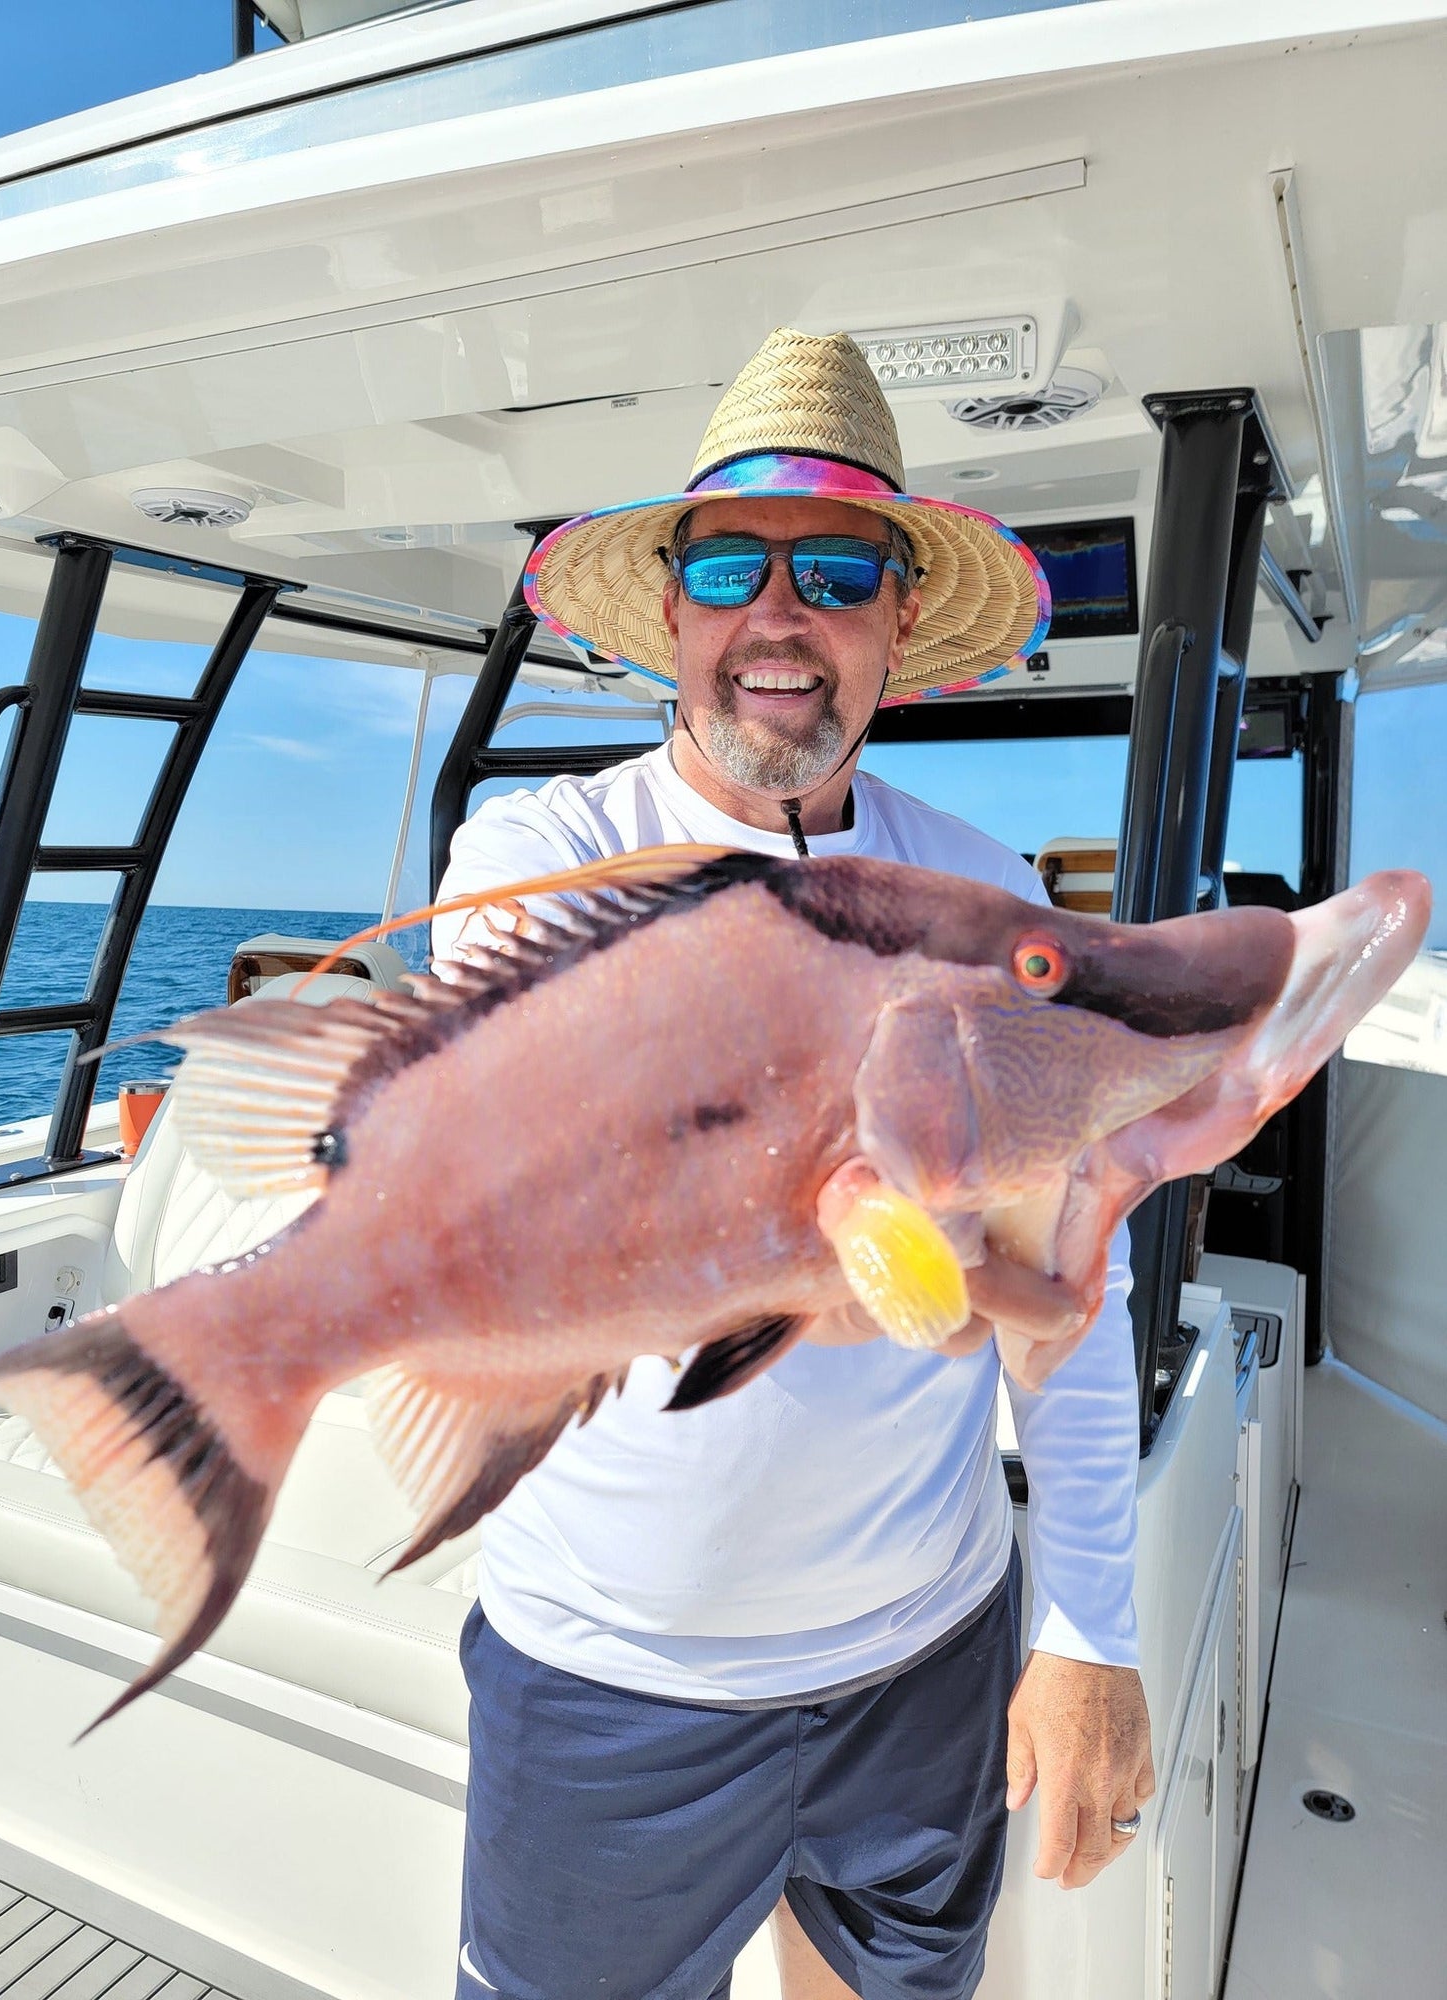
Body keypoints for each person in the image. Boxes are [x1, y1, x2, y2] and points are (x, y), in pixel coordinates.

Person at [432, 328, 1156, 2000]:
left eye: (833, 573)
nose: (779, 614)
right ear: (673, 612)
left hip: (927, 1659)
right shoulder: (540, 853)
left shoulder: (989, 896)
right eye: (730, 569)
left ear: (898, 618)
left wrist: (1090, 1630)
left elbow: (1079, 1285)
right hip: (611, 1679)